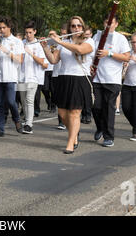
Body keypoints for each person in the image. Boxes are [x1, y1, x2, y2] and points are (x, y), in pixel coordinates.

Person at [42, 16, 94, 154]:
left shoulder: (89, 41)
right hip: (64, 79)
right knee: (63, 114)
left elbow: (80, 50)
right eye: (73, 26)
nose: (76, 28)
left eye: (79, 26)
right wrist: (45, 47)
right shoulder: (63, 42)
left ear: (82, 28)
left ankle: (70, 142)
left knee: (74, 113)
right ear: (70, 28)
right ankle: (74, 133)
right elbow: (53, 60)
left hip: (80, 79)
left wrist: (60, 41)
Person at [91, 15, 131, 147]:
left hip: (112, 79)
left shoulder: (121, 38)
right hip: (97, 77)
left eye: (111, 22)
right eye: (106, 21)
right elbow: (91, 53)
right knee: (96, 106)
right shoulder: (97, 37)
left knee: (109, 108)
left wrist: (109, 53)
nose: (108, 24)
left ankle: (109, 137)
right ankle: (100, 128)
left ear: (116, 24)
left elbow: (126, 57)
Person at [0, 16, 24, 137]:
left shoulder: (17, 42)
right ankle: (0, 129)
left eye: (3, 28)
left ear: (9, 27)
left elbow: (20, 59)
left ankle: (17, 119)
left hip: (10, 76)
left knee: (10, 101)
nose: (1, 30)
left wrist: (7, 52)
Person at [18, 21, 48, 134]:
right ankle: (26, 120)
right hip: (21, 77)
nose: (28, 35)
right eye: (26, 33)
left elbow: (43, 63)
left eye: (30, 32)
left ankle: (29, 124)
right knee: (23, 101)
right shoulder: (21, 43)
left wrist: (30, 53)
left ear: (35, 32)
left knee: (29, 100)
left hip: (33, 77)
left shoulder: (39, 45)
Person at [81, 27, 93, 124]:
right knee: (81, 96)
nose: (86, 36)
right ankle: (83, 114)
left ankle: (88, 114)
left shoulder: (91, 42)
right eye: (85, 34)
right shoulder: (80, 42)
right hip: (80, 72)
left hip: (88, 72)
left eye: (88, 34)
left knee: (87, 95)